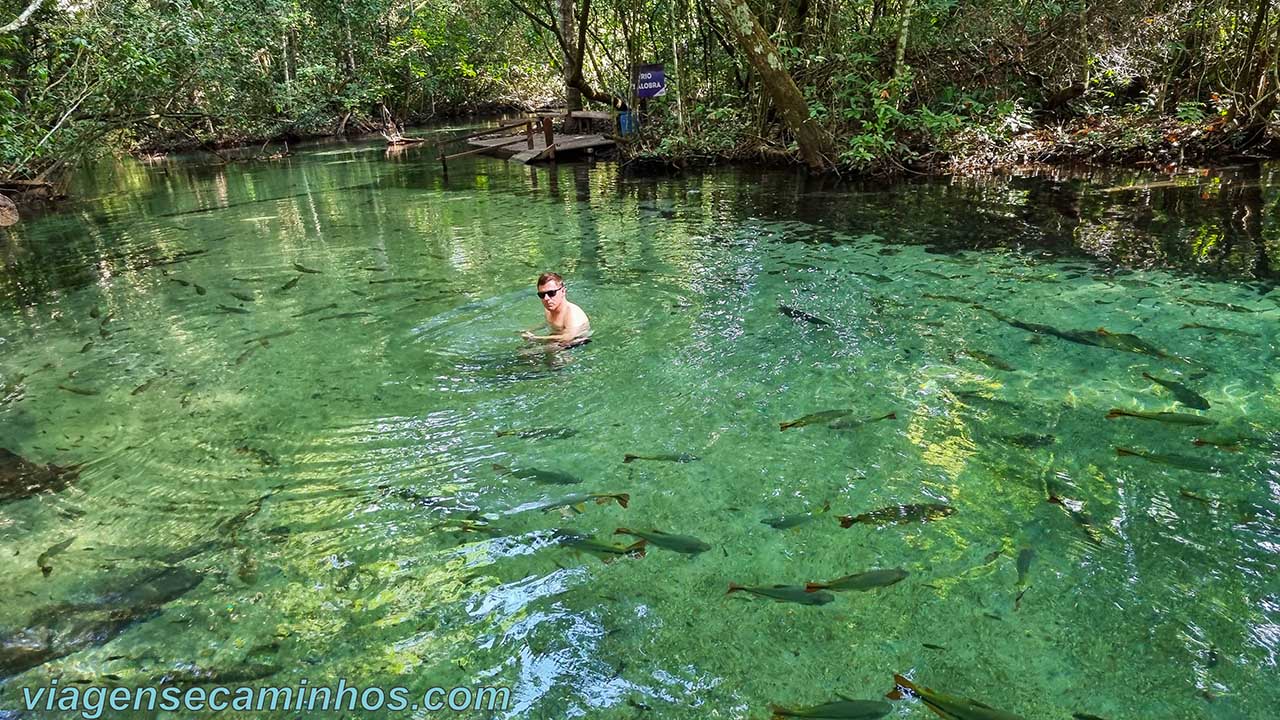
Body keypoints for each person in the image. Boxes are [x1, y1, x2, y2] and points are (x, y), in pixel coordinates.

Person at [520, 272, 590, 346]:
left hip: (574, 342)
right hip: (557, 339)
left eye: (551, 293)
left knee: (526, 354)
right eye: (542, 295)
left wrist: (536, 338)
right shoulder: (549, 309)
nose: (546, 298)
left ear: (563, 291)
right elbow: (548, 322)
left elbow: (568, 337)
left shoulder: (572, 314)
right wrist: (530, 330)